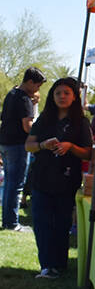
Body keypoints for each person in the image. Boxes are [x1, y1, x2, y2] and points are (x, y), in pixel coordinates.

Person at [24, 77, 93, 278]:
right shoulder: (43, 119)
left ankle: (59, 264)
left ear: (74, 97)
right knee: (42, 222)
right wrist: (43, 145)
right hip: (42, 177)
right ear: (52, 96)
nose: (61, 97)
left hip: (67, 179)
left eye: (66, 93)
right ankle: (47, 265)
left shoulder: (81, 122)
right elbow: (28, 145)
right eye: (57, 93)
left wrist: (70, 147)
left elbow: (89, 153)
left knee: (62, 224)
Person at [1, 67, 45, 230]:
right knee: (16, 185)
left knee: (9, 184)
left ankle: (7, 220)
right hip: (18, 145)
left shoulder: (12, 94)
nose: (38, 89)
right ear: (30, 82)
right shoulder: (24, 98)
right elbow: (28, 127)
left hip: (5, 143)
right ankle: (11, 223)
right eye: (38, 85)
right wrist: (41, 129)